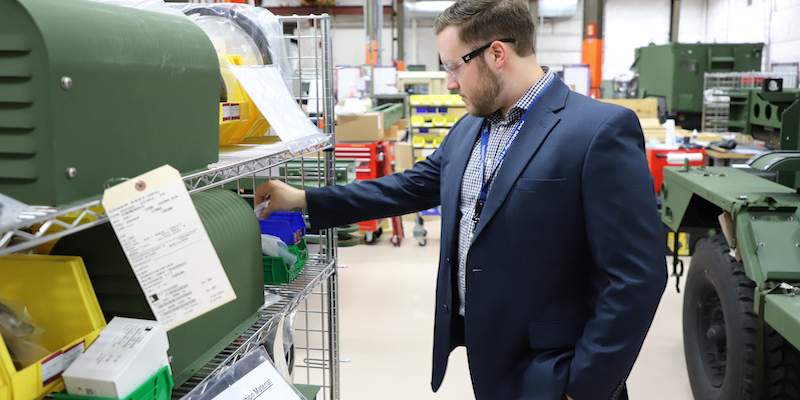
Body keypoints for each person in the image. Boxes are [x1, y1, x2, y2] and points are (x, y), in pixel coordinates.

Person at [256, 1, 666, 399]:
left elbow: (636, 277)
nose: (450, 82)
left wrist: (585, 388)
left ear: (497, 54)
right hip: (488, 360)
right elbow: (408, 187)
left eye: (454, 66)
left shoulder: (597, 131)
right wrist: (304, 200)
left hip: (555, 369)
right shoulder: (470, 128)